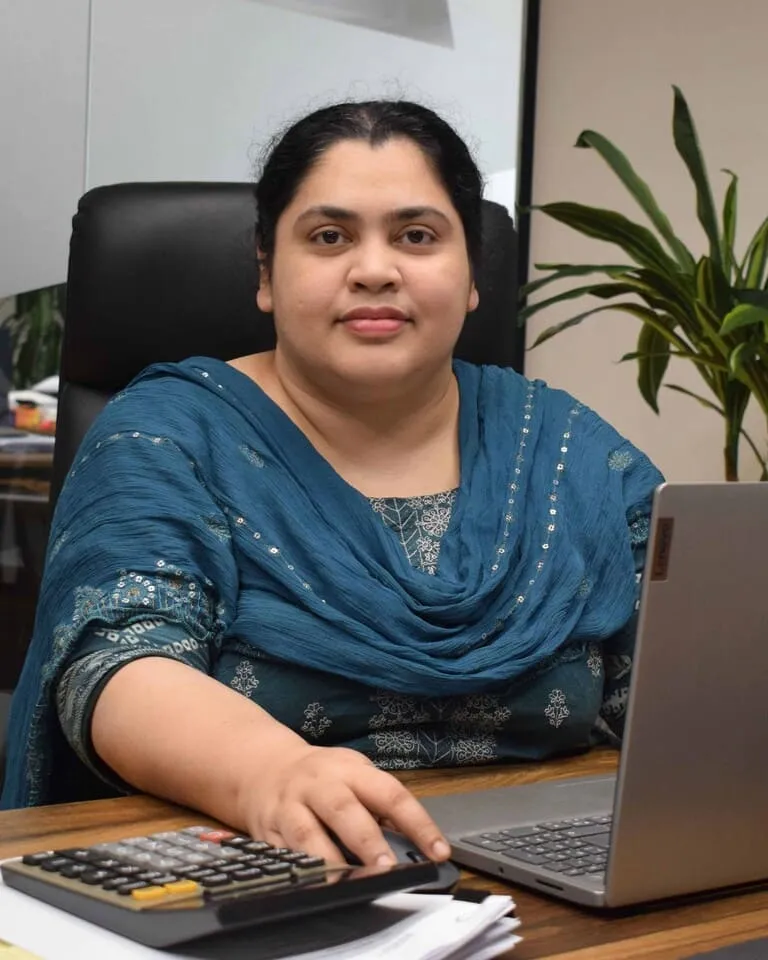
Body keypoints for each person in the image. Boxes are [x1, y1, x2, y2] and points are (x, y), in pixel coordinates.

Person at [1, 100, 663, 869]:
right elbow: (118, 662)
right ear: (266, 274)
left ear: (473, 275)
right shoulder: (168, 437)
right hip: (254, 869)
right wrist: (270, 772)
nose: (375, 269)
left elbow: (684, 682)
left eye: (417, 236)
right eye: (329, 236)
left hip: (557, 870)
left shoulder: (564, 447)